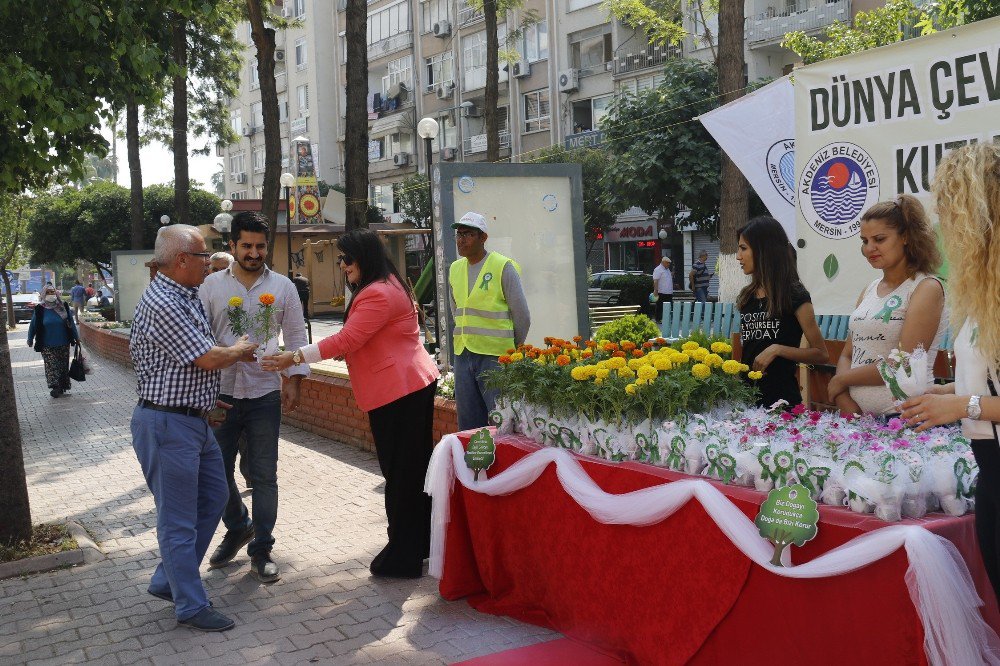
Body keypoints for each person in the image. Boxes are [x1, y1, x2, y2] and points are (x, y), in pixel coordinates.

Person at [263, 229, 439, 578]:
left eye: (347, 258)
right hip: (408, 386)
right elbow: (368, 339)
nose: (342, 265)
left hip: (399, 391)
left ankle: (405, 553)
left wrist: (294, 357)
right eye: (341, 259)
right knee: (410, 470)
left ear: (365, 257)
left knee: (402, 473)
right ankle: (418, 544)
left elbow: (349, 338)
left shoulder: (377, 293)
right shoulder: (388, 284)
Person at [129, 224, 257, 632]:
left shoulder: (183, 295)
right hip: (168, 423)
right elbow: (205, 357)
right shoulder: (164, 301)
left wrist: (208, 400)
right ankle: (190, 603)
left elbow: (181, 366)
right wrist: (240, 350)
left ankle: (169, 579)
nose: (211, 262)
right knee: (178, 518)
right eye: (204, 256)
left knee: (214, 497)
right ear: (181, 259)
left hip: (190, 418)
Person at [900, 143, 1000, 603]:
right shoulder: (985, 287)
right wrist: (949, 391)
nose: (942, 224)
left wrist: (962, 404)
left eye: (948, 207)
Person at [199, 212, 309, 584]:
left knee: (264, 475)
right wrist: (205, 392)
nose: (253, 252)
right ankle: (237, 526)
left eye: (260, 246)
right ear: (231, 246)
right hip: (220, 394)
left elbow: (295, 338)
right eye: (246, 245)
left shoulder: (283, 287)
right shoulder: (210, 286)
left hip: (263, 393)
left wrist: (294, 380)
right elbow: (199, 342)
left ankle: (261, 548)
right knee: (215, 472)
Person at [828, 195, 946, 415]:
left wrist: (840, 380)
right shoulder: (869, 289)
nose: (869, 248)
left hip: (907, 419)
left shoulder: (925, 287)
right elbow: (847, 354)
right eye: (864, 241)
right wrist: (843, 398)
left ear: (906, 237)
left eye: (879, 239)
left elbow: (903, 363)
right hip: (857, 422)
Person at [448, 211, 530, 430]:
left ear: (483, 237)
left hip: (495, 357)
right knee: (469, 423)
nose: (461, 239)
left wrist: (513, 349)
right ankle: (475, 465)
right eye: (458, 234)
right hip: (463, 354)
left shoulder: (503, 266)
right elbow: (456, 310)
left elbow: (522, 315)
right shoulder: (455, 269)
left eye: (467, 234)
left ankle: (503, 464)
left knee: (501, 420)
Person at [736, 216, 829, 408]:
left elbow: (821, 354)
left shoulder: (795, 295)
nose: (738, 256)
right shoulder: (747, 297)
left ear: (764, 250)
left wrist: (777, 349)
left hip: (782, 403)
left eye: (743, 248)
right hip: (746, 400)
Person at [27, 285, 79, 398]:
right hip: (46, 344)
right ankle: (54, 386)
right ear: (44, 294)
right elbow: (33, 325)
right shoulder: (40, 309)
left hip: (63, 343)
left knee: (62, 366)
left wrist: (76, 337)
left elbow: (71, 323)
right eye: (49, 293)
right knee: (51, 366)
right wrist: (30, 338)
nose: (51, 295)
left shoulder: (63, 306)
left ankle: (61, 386)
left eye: (53, 292)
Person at [652, 256, 674, 324]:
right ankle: (658, 319)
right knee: (660, 306)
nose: (668, 264)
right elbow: (655, 281)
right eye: (667, 263)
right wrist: (655, 291)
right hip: (661, 292)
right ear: (663, 262)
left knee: (668, 306)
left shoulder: (667, 269)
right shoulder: (658, 269)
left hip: (668, 292)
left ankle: (666, 318)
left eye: (669, 263)